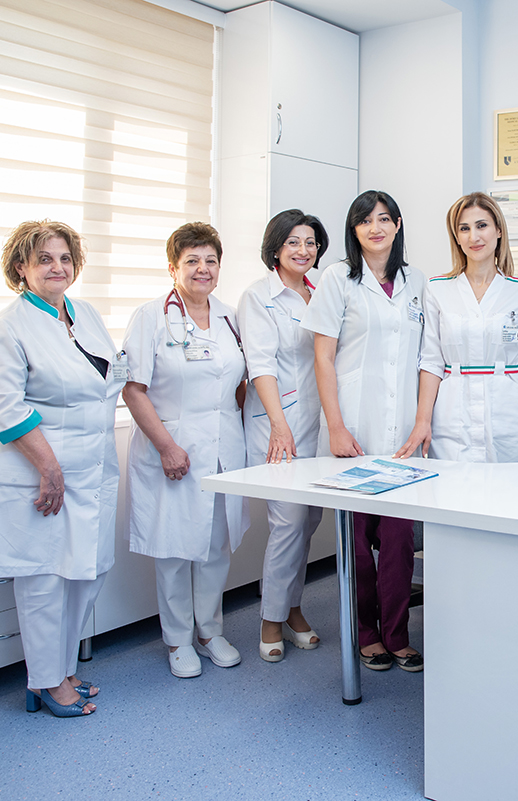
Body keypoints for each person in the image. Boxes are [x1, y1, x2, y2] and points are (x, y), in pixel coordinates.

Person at [0, 220, 127, 717]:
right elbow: (5, 407)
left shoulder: (84, 314)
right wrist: (50, 469)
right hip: (38, 473)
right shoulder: (7, 327)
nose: (58, 267)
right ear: (21, 268)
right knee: (45, 579)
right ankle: (47, 681)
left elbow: (106, 377)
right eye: (44, 259)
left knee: (86, 572)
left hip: (92, 467)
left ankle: (64, 667)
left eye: (65, 258)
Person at [303, 190, 425, 672]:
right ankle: (366, 632)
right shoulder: (337, 279)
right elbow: (323, 358)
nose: (375, 228)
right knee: (356, 542)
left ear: (398, 224)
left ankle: (397, 634)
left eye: (384, 219)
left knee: (397, 541)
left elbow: (425, 355)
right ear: (354, 230)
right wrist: (335, 426)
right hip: (352, 424)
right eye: (364, 221)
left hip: (402, 432)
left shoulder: (417, 281)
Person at [122, 223, 249, 679]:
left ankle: (210, 631)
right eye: (192, 260)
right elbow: (133, 389)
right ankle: (177, 639)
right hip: (172, 449)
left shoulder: (230, 317)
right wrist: (167, 447)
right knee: (175, 548)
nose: (203, 269)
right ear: (172, 267)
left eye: (211, 260)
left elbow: (238, 382)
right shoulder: (150, 317)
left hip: (223, 448)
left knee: (216, 545)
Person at [396, 192, 518, 461]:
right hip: (451, 419)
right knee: (451, 485)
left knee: (509, 486)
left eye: (482, 226)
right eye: (464, 229)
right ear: (456, 237)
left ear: (498, 231)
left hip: (508, 417)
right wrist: (422, 421)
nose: (474, 237)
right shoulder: (437, 289)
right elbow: (432, 362)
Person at [238, 209, 328, 662]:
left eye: (310, 242)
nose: (303, 250)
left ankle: (293, 609)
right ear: (275, 248)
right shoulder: (259, 296)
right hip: (279, 424)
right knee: (288, 523)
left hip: (318, 424)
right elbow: (261, 363)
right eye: (293, 242)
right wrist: (278, 424)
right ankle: (271, 619)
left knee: (308, 522)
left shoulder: (322, 290)